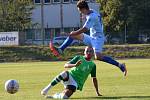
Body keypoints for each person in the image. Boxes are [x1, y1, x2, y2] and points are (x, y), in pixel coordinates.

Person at [50, 0, 127, 76]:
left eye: (80, 11)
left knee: (98, 57)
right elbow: (88, 18)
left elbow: (84, 29)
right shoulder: (91, 11)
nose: (80, 13)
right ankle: (60, 49)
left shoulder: (92, 17)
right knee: (73, 35)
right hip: (92, 38)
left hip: (98, 39)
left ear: (84, 9)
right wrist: (83, 18)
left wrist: (74, 33)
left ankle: (120, 65)